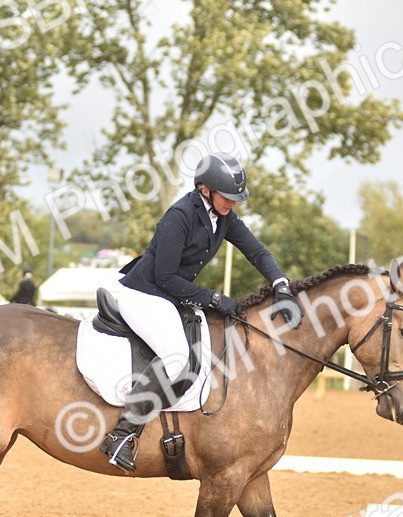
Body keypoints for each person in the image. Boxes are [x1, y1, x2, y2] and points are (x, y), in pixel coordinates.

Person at [99, 152, 304, 472]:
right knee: (177, 355)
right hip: (144, 293)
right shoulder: (179, 215)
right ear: (205, 189)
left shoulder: (222, 216)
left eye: (237, 198)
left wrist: (281, 285)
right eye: (228, 196)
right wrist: (214, 298)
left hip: (170, 295)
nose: (233, 203)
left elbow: (256, 251)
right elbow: (165, 277)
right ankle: (123, 435)